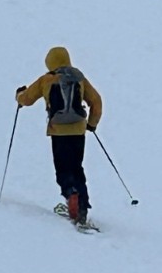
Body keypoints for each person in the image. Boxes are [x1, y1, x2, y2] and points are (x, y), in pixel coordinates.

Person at [16, 47, 103, 227]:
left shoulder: (46, 79)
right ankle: (82, 208)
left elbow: (27, 99)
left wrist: (19, 95)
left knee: (63, 168)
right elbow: (96, 102)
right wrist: (92, 125)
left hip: (58, 130)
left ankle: (70, 194)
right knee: (77, 167)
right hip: (78, 130)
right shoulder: (79, 77)